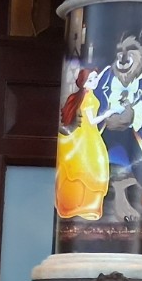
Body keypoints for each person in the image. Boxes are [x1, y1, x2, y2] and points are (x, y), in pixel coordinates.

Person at [55, 67, 109, 221]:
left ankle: (74, 204)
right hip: (87, 135)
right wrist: (108, 113)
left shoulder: (81, 96)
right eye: (91, 79)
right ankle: (84, 205)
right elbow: (92, 121)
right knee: (92, 166)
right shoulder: (89, 98)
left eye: (96, 78)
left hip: (82, 135)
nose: (95, 81)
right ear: (84, 82)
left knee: (81, 166)